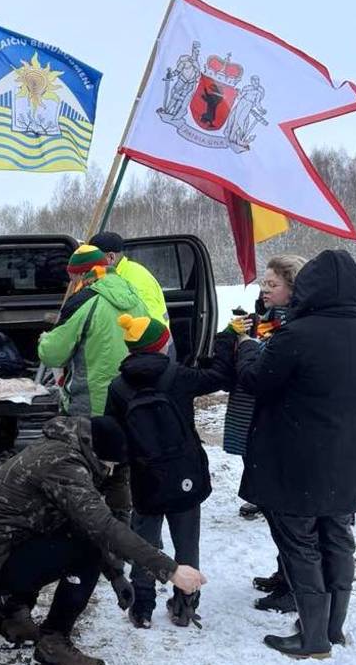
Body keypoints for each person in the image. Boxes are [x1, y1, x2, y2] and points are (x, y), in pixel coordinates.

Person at [0, 415, 205, 665]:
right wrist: (171, 570)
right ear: (96, 452)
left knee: (76, 535)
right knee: (87, 550)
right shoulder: (62, 462)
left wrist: (115, 573)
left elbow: (111, 512)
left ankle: (10, 612)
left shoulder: (78, 446)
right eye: (109, 465)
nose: (112, 472)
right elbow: (103, 527)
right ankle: (52, 642)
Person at [233, 248, 356, 659]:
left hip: (295, 459)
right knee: (338, 538)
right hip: (348, 457)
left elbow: (256, 382)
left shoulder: (297, 334)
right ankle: (331, 628)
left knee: (299, 543)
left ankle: (313, 637)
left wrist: (246, 345)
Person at [105, 310, 231, 629]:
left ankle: (142, 605)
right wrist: (227, 338)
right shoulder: (179, 376)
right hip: (185, 473)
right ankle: (185, 604)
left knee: (145, 541)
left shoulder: (118, 387)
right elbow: (219, 376)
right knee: (187, 539)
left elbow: (114, 436)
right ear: (162, 345)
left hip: (146, 476)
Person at [221, 254, 307, 611]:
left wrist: (248, 348)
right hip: (253, 420)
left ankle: (293, 581)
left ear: (293, 288)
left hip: (275, 424)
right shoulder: (264, 319)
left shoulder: (296, 327)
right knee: (271, 506)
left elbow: (266, 373)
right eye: (263, 283)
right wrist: (233, 336)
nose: (265, 290)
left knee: (285, 511)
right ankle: (283, 570)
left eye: (273, 285)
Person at [37, 243, 147, 416]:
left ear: (82, 274)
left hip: (94, 406)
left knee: (95, 442)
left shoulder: (83, 301)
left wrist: (45, 340)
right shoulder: (134, 295)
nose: (72, 285)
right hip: (134, 397)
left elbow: (52, 354)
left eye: (72, 279)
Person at [90, 230, 171, 341]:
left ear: (111, 257)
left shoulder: (134, 279)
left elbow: (147, 321)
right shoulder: (114, 275)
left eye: (93, 258)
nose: (90, 263)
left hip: (154, 344)